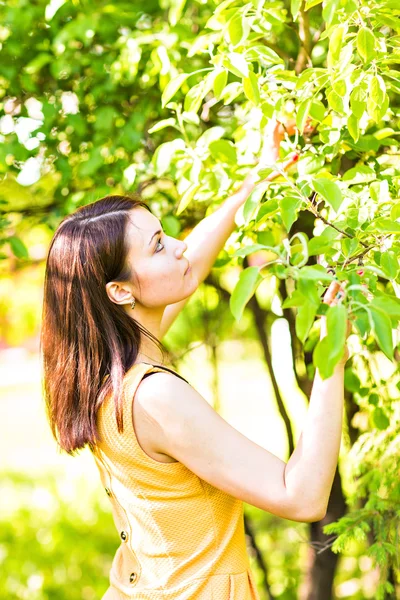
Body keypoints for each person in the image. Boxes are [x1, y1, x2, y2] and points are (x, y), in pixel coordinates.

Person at [40, 119, 350, 599]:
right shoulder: (155, 396)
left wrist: (258, 179)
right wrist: (334, 348)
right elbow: (302, 494)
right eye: (159, 246)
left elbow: (194, 260)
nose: (180, 246)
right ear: (119, 290)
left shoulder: (107, 370)